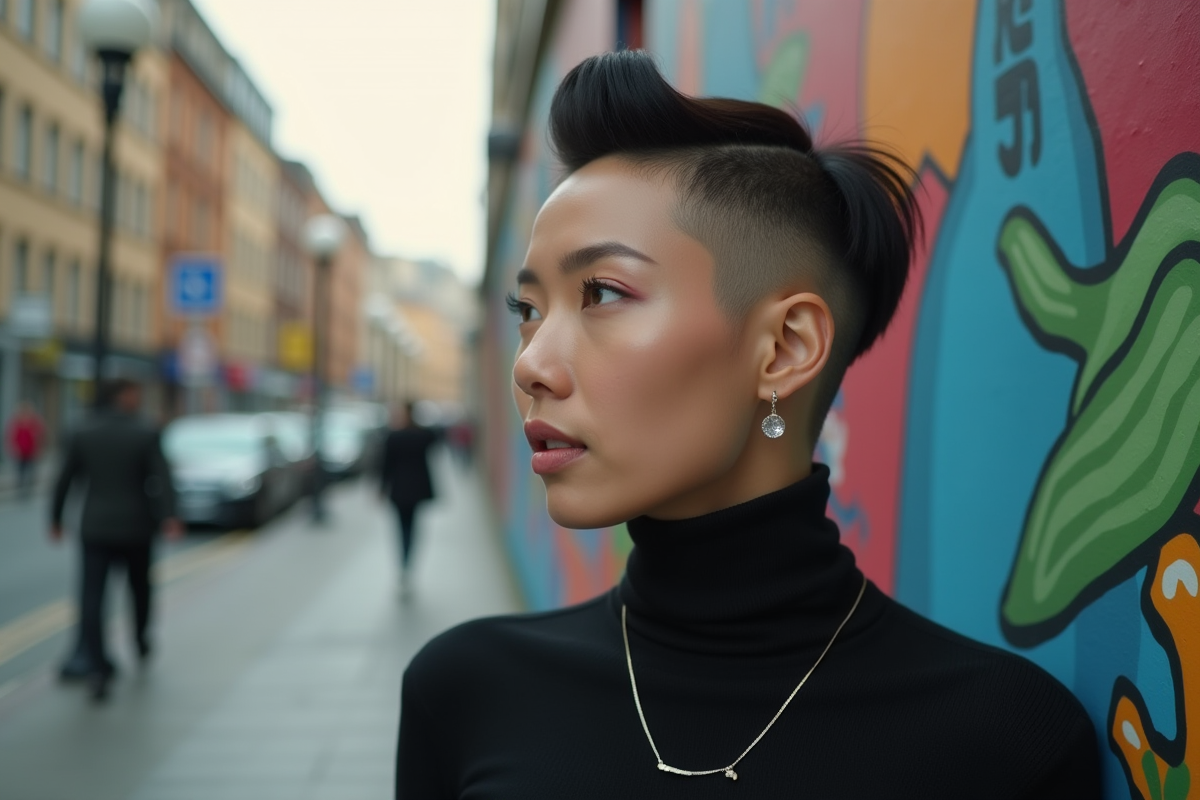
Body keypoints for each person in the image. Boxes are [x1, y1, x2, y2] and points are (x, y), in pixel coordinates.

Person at [396, 51, 1101, 798]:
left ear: (785, 349)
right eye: (528, 311)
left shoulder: (1007, 741)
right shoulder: (466, 691)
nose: (532, 363)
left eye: (601, 292)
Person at [50, 379, 181, 701]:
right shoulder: (145, 432)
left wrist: (55, 519)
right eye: (135, 393)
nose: (138, 398)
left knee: (92, 597)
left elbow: (65, 479)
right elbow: (162, 478)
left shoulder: (84, 432)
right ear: (123, 396)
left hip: (95, 527)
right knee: (139, 589)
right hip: (137, 527)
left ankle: (96, 668)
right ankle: (140, 641)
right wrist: (170, 517)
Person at [379, 403, 438, 597]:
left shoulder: (394, 436)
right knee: (412, 526)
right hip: (418, 489)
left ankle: (404, 565)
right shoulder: (423, 435)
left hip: (398, 489)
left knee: (401, 527)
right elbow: (435, 441)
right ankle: (407, 563)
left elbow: (385, 465)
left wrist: (381, 489)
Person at [6, 401, 45, 498]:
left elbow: (40, 435)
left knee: (30, 470)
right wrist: (14, 448)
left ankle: (28, 489)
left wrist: (39, 448)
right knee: (20, 471)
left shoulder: (34, 423)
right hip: (20, 452)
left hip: (31, 452)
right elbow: (12, 437)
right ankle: (21, 489)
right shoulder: (17, 423)